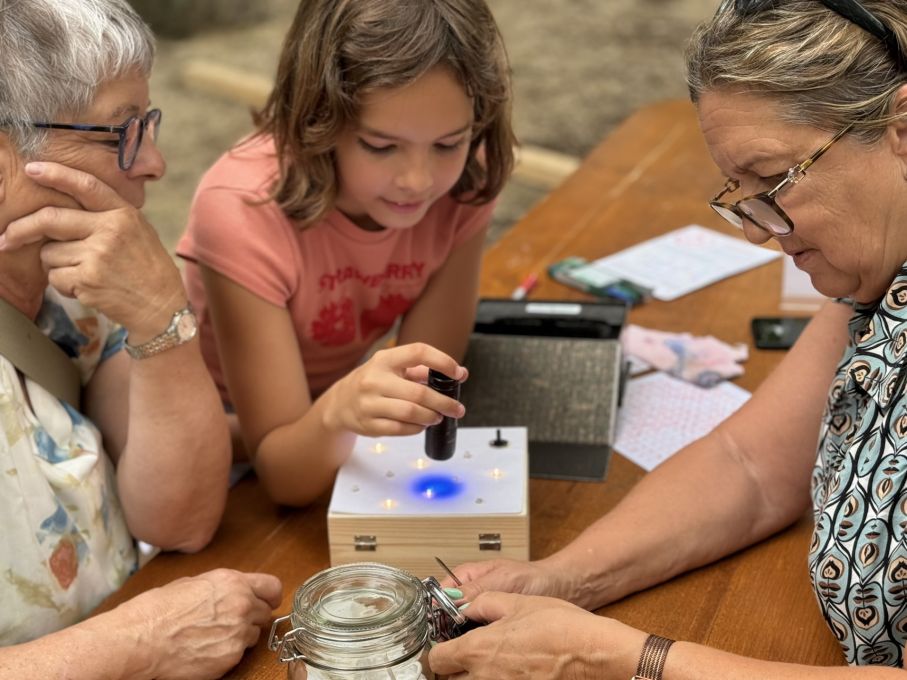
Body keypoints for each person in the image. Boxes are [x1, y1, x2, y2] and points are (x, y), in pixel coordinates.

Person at [428, 1, 907, 677]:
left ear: (899, 127)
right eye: (738, 192)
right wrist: (560, 579)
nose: (753, 228)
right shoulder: (873, 281)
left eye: (773, 181)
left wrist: (613, 655)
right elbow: (750, 464)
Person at [0, 2, 281, 677]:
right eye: (119, 133)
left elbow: (178, 518)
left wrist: (162, 318)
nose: (154, 162)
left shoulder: (73, 284)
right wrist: (138, 644)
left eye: (146, 125)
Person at [176, 0, 516, 506]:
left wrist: (347, 412)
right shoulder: (242, 209)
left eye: (449, 143)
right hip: (219, 430)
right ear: (318, 117)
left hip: (333, 412)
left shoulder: (467, 178)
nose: (418, 181)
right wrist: (336, 414)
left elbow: (425, 385)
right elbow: (285, 474)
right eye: (381, 147)